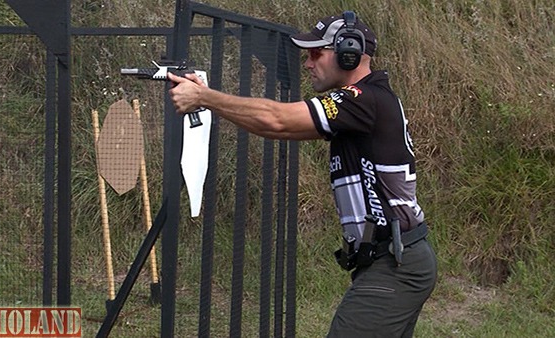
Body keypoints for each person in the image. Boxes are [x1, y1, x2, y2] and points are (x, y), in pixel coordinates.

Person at [168, 11, 437, 338]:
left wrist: (204, 97)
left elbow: (276, 119)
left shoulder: (363, 100)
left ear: (348, 52)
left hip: (395, 263)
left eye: (315, 53)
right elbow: (274, 129)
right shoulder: (366, 103)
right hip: (395, 259)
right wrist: (209, 101)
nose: (308, 63)